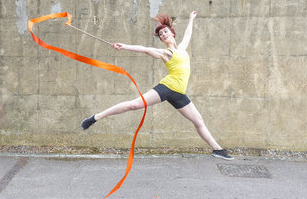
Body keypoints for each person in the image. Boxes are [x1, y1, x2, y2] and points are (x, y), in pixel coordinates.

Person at [80, 11, 233, 160]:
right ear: (161, 39)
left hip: (179, 93)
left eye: (165, 32)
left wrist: (191, 19)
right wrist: (124, 46)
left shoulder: (182, 49)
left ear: (172, 33)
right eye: (161, 34)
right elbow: (145, 49)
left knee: (198, 120)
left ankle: (217, 150)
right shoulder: (165, 53)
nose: (163, 34)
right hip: (167, 88)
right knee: (134, 105)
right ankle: (95, 117)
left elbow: (187, 35)